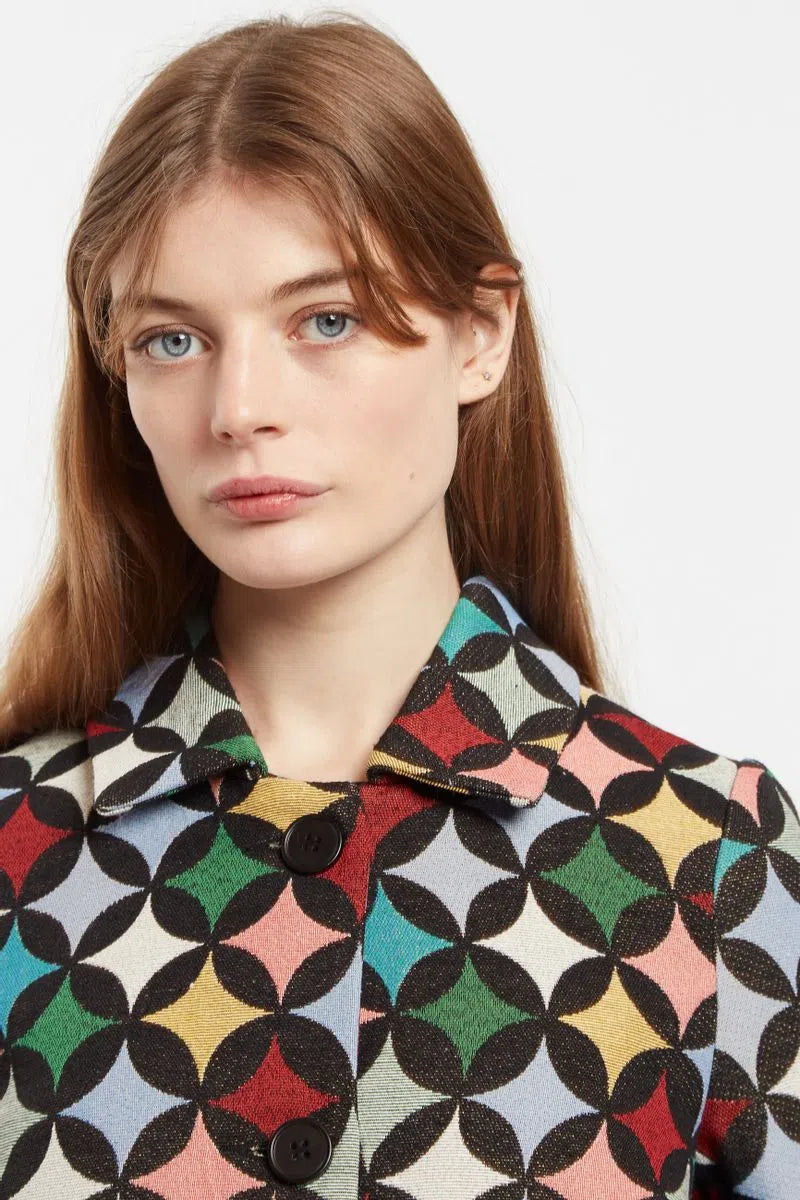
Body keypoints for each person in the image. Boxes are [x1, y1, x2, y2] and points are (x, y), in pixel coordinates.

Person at [0, 13, 796, 1200]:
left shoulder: (706, 859)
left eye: (326, 319)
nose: (239, 407)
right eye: (171, 339)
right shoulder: (17, 851)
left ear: (480, 334)